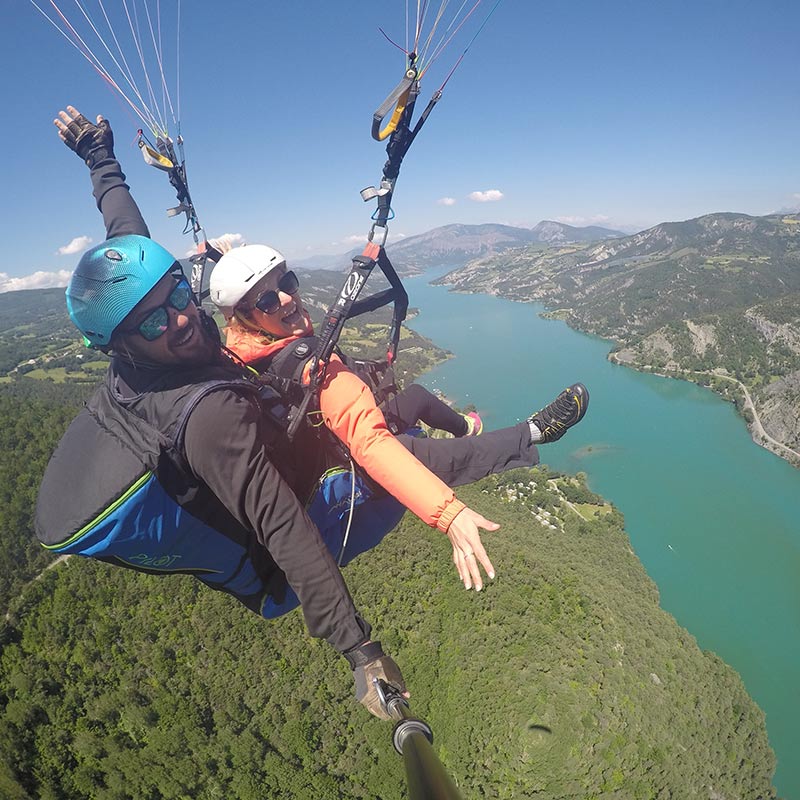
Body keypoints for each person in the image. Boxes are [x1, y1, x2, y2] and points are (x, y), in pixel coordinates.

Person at [42, 106, 588, 717]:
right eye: (153, 320)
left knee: (411, 403)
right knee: (409, 456)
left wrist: (101, 159)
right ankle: (532, 435)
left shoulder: (170, 339)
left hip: (298, 450)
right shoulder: (207, 417)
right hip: (303, 533)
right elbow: (282, 524)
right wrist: (362, 650)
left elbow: (127, 239)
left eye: (174, 293)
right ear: (120, 345)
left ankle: (471, 428)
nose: (179, 316)